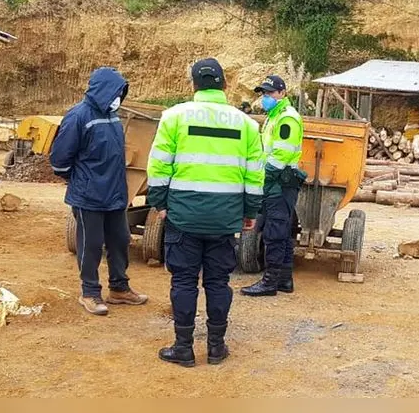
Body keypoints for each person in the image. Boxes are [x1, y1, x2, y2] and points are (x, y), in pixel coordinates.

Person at [146, 58, 265, 367]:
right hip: (225, 219)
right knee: (218, 282)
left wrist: (159, 203)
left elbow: (158, 166)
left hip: (183, 216)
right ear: (225, 86)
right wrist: (250, 211)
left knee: (183, 282)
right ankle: (215, 347)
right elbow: (255, 174)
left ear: (193, 85)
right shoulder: (247, 125)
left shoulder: (173, 118)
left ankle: (183, 348)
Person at [50, 67, 148, 316]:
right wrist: (81, 180)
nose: (118, 97)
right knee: (91, 245)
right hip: (89, 196)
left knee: (120, 240)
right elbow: (59, 160)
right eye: (116, 91)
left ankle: (119, 288)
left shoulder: (113, 116)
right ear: (103, 91)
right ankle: (90, 292)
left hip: (115, 193)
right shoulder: (78, 117)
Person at [241, 75, 305, 297]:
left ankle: (269, 282)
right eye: (264, 93)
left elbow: (280, 155)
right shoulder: (274, 116)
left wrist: (263, 179)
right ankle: (284, 280)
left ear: (282, 93)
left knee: (274, 234)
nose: (266, 97)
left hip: (279, 183)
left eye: (270, 93)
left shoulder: (287, 118)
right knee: (282, 232)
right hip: (277, 183)